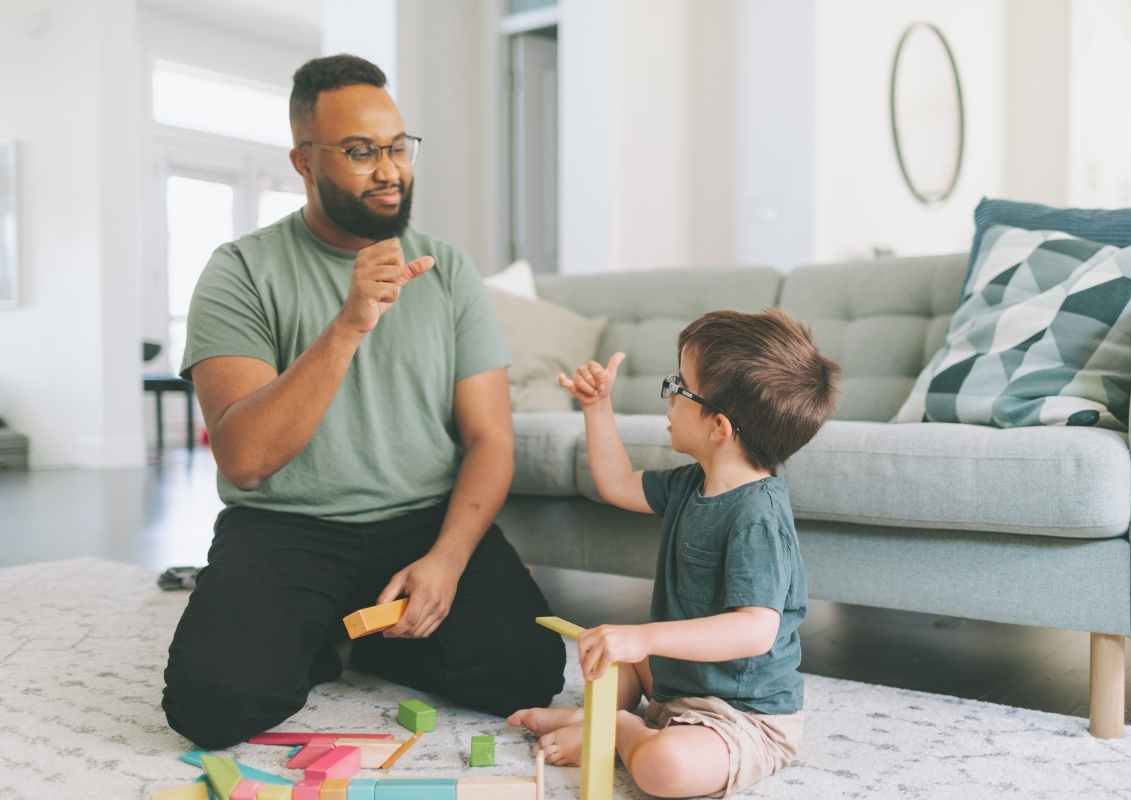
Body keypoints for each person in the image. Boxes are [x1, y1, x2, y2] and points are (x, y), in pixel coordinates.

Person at [161, 53, 565, 750]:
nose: (389, 169)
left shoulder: (449, 270)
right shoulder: (240, 271)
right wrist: (347, 326)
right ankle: (326, 633)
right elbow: (247, 459)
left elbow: (490, 439)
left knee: (528, 671)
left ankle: (360, 637)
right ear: (304, 161)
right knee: (211, 705)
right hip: (288, 528)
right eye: (359, 152)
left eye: (396, 147)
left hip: (421, 524)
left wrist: (448, 559)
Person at [509, 309, 839, 797]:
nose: (668, 397)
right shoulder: (693, 483)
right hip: (673, 682)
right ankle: (602, 717)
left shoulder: (758, 517)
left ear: (719, 427)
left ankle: (618, 730)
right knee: (610, 657)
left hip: (740, 714)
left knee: (666, 770)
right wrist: (597, 408)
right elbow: (617, 485)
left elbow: (755, 628)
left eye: (678, 386)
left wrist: (643, 637)